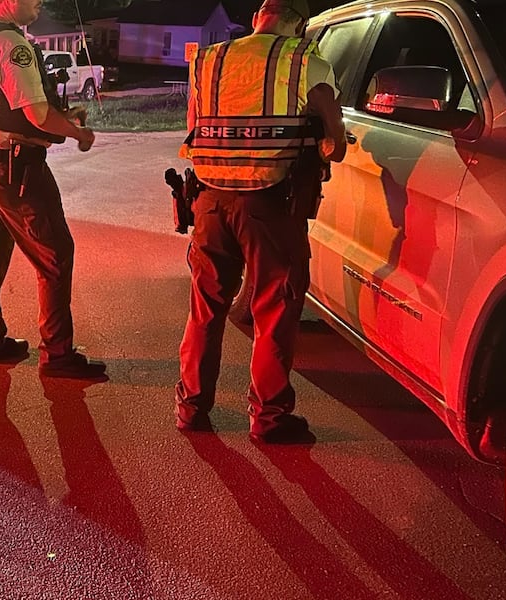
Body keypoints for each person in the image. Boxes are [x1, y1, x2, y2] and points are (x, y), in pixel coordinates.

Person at [174, 0, 346, 442]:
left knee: (205, 309)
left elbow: (195, 128)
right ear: (298, 24)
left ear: (257, 18)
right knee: (273, 308)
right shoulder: (306, 59)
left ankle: (191, 408)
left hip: (209, 202)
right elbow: (337, 143)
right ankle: (269, 418)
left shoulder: (209, 60)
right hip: (269, 205)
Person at [0, 0, 107, 380]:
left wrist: (63, 119)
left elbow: (11, 106)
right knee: (56, 254)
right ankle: (58, 354)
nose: (41, 1)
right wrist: (79, 133)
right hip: (17, 170)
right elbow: (37, 115)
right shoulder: (13, 45)